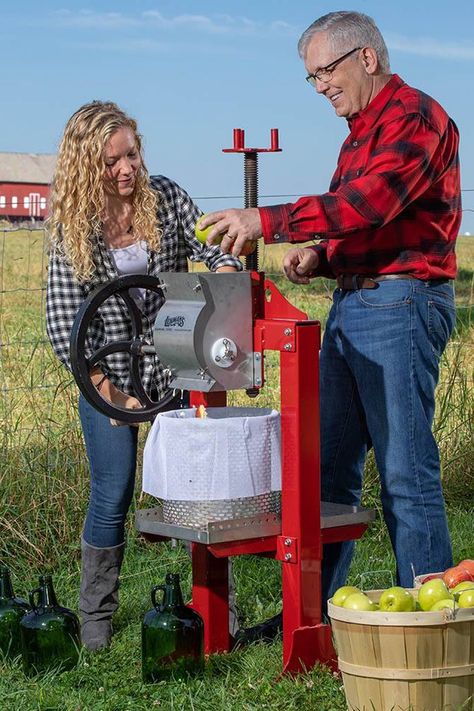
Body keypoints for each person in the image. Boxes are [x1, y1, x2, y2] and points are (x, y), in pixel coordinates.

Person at [199, 11, 460, 614]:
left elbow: (368, 203)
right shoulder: (359, 133)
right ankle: (308, 618)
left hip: (401, 303)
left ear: (366, 57)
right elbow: (362, 219)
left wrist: (266, 220)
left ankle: (432, 623)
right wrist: (321, 256)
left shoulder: (417, 117)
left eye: (324, 72)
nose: (319, 88)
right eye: (311, 78)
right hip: (355, 302)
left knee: (405, 473)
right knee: (325, 472)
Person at [46, 100, 242, 650]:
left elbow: (212, 245)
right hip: (105, 377)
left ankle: (209, 609)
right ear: (87, 165)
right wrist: (111, 395)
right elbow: (64, 322)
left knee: (190, 490)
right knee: (112, 490)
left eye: (132, 154)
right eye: (112, 161)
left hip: (173, 369)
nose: (127, 168)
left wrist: (225, 272)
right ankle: (96, 620)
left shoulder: (168, 197)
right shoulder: (72, 229)